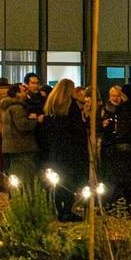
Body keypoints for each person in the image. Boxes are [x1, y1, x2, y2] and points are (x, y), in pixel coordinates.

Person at [36, 78, 87, 220]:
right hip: (70, 149)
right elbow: (77, 129)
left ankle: (59, 209)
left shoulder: (51, 105)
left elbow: (47, 127)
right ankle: (67, 211)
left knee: (59, 181)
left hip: (55, 149)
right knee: (69, 181)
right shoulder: (71, 106)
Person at [98, 83, 131, 211]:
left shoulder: (124, 109)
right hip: (117, 148)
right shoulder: (107, 109)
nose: (116, 98)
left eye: (118, 95)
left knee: (120, 181)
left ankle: (115, 206)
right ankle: (118, 205)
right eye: (113, 95)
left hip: (121, 148)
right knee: (120, 181)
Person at [0, 73, 44, 191]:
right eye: (23, 91)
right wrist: (35, 120)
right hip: (21, 146)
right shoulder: (17, 107)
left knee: (17, 175)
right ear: (17, 94)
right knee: (24, 176)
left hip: (13, 146)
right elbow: (23, 126)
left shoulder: (8, 106)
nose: (26, 93)